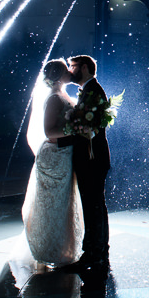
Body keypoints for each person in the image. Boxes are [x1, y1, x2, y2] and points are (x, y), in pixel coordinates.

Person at [20, 58, 84, 266]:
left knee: (63, 203)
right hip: (55, 155)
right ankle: (50, 249)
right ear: (59, 75)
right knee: (53, 205)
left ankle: (62, 247)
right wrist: (74, 130)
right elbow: (49, 131)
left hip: (64, 153)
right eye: (67, 70)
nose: (70, 73)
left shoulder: (62, 94)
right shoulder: (54, 98)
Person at [57, 54, 110, 268]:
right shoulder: (89, 90)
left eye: (73, 66)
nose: (70, 71)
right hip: (92, 157)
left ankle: (93, 254)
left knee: (93, 205)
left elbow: (91, 129)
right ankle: (97, 251)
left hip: (92, 158)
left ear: (85, 67)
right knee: (94, 205)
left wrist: (59, 141)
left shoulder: (93, 91)